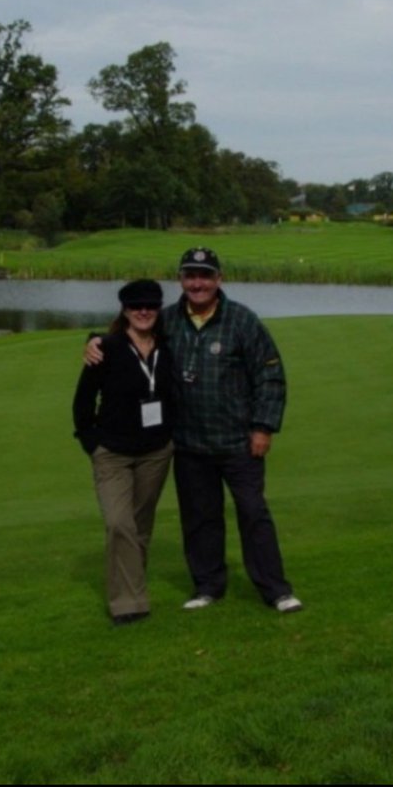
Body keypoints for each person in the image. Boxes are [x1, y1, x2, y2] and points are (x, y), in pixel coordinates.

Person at [86, 248, 302, 614]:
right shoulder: (167, 320)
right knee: (200, 518)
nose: (197, 283)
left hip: (238, 442)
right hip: (188, 444)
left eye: (205, 275)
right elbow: (126, 333)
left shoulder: (242, 321)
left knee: (252, 512)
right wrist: (92, 340)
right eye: (190, 275)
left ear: (219, 279)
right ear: (181, 280)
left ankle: (276, 589)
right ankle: (208, 586)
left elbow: (270, 377)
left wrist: (263, 427)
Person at [73, 279, 176, 627]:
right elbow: (83, 402)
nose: (143, 311)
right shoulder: (107, 347)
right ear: (125, 310)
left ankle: (133, 591)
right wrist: (93, 443)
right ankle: (127, 603)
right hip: (113, 452)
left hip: (156, 452)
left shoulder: (170, 345)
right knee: (119, 523)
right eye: (136, 306)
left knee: (140, 526)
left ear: (159, 309)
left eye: (150, 305)